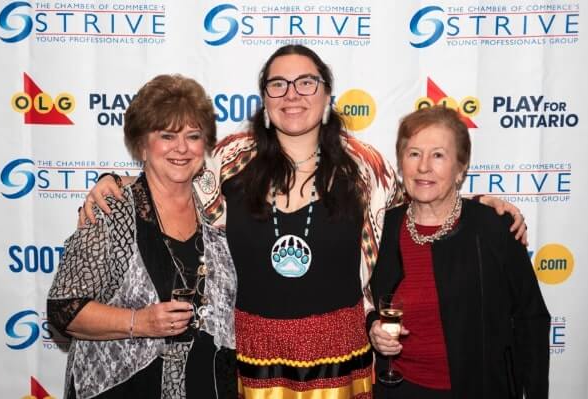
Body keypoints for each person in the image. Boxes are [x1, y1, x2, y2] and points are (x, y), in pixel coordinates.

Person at [80, 45, 527, 398]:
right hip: (250, 357)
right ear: (265, 99)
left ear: (328, 96)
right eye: (278, 84)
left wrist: (480, 206)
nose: (292, 94)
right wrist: (114, 181)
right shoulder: (229, 160)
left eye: (306, 82)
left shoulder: (365, 165)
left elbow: (419, 199)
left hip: (342, 357)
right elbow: (171, 176)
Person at [47, 74, 237, 399]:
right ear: (141, 145)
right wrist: (140, 322)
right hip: (124, 389)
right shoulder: (112, 211)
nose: (181, 148)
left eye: (193, 136)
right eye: (167, 135)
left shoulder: (215, 206)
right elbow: (64, 309)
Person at [367, 106, 550, 399]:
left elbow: (531, 318)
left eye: (438, 155)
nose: (424, 166)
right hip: (395, 390)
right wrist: (371, 327)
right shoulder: (380, 228)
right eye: (414, 153)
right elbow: (358, 301)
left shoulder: (493, 227)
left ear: (461, 167)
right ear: (401, 163)